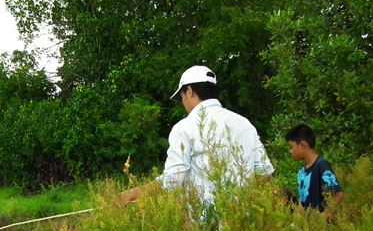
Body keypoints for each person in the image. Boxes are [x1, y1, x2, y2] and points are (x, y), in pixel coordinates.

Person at [118, 65, 274, 210]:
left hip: (206, 227)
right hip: (245, 225)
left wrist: (131, 195)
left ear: (190, 91)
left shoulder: (185, 127)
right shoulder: (244, 124)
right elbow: (265, 177)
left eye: (181, 97)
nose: (183, 103)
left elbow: (172, 181)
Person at [285, 124, 344, 214]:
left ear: (302, 145)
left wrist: (322, 219)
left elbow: (338, 195)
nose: (290, 151)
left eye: (291, 147)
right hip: (309, 225)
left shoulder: (321, 165)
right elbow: (303, 201)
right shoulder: (302, 172)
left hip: (324, 226)